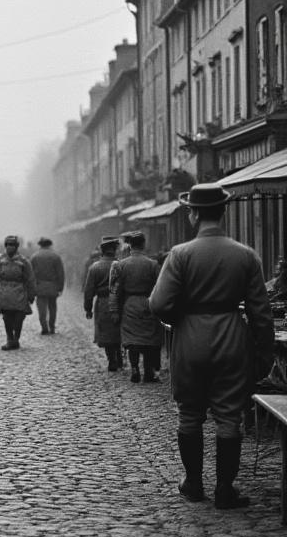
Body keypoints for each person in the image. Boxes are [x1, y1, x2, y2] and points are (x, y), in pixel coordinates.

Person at [150, 184, 274, 510]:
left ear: (193, 214)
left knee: (189, 413)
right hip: (231, 336)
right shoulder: (245, 255)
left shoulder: (180, 254)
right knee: (229, 416)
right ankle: (224, 489)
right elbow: (261, 313)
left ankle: (193, 483)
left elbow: (159, 303)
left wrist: (181, 316)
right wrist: (263, 353)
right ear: (224, 212)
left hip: (190, 338)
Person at [109, 230, 164, 384]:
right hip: (148, 303)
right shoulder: (153, 264)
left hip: (130, 304)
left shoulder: (121, 265)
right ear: (143, 245)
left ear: (130, 246)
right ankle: (148, 372)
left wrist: (114, 310)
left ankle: (134, 369)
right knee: (149, 340)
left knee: (132, 339)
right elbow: (161, 287)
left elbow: (115, 290)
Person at [0, 235, 35, 351]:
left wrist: (31, 294)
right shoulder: (0, 259)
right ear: (5, 246)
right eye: (8, 245)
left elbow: (30, 279)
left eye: (12, 245)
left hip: (19, 292)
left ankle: (16, 339)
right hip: (4, 292)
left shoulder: (23, 261)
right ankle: (10, 339)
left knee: (19, 317)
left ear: (16, 247)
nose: (10, 247)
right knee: (7, 317)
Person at [84, 237, 123, 371]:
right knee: (118, 329)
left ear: (102, 251)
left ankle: (111, 359)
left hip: (103, 302)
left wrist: (88, 308)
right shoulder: (121, 265)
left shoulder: (95, 267)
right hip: (120, 301)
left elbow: (89, 290)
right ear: (114, 250)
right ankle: (119, 357)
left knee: (106, 331)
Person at [29, 237, 65, 334]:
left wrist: (31, 288)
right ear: (50, 245)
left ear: (40, 245)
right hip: (53, 285)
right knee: (52, 307)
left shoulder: (34, 256)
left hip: (39, 285)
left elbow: (30, 274)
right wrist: (60, 287)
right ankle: (51, 326)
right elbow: (60, 273)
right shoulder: (56, 256)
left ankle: (44, 327)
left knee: (41, 308)